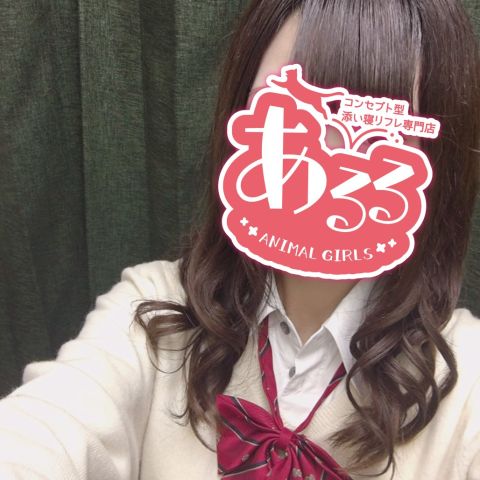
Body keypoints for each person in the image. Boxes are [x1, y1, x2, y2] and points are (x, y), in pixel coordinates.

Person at [0, 0, 479, 479]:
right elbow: (43, 429)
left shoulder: (468, 379)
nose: (327, 159)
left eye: (378, 133)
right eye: (288, 116)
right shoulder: (152, 310)